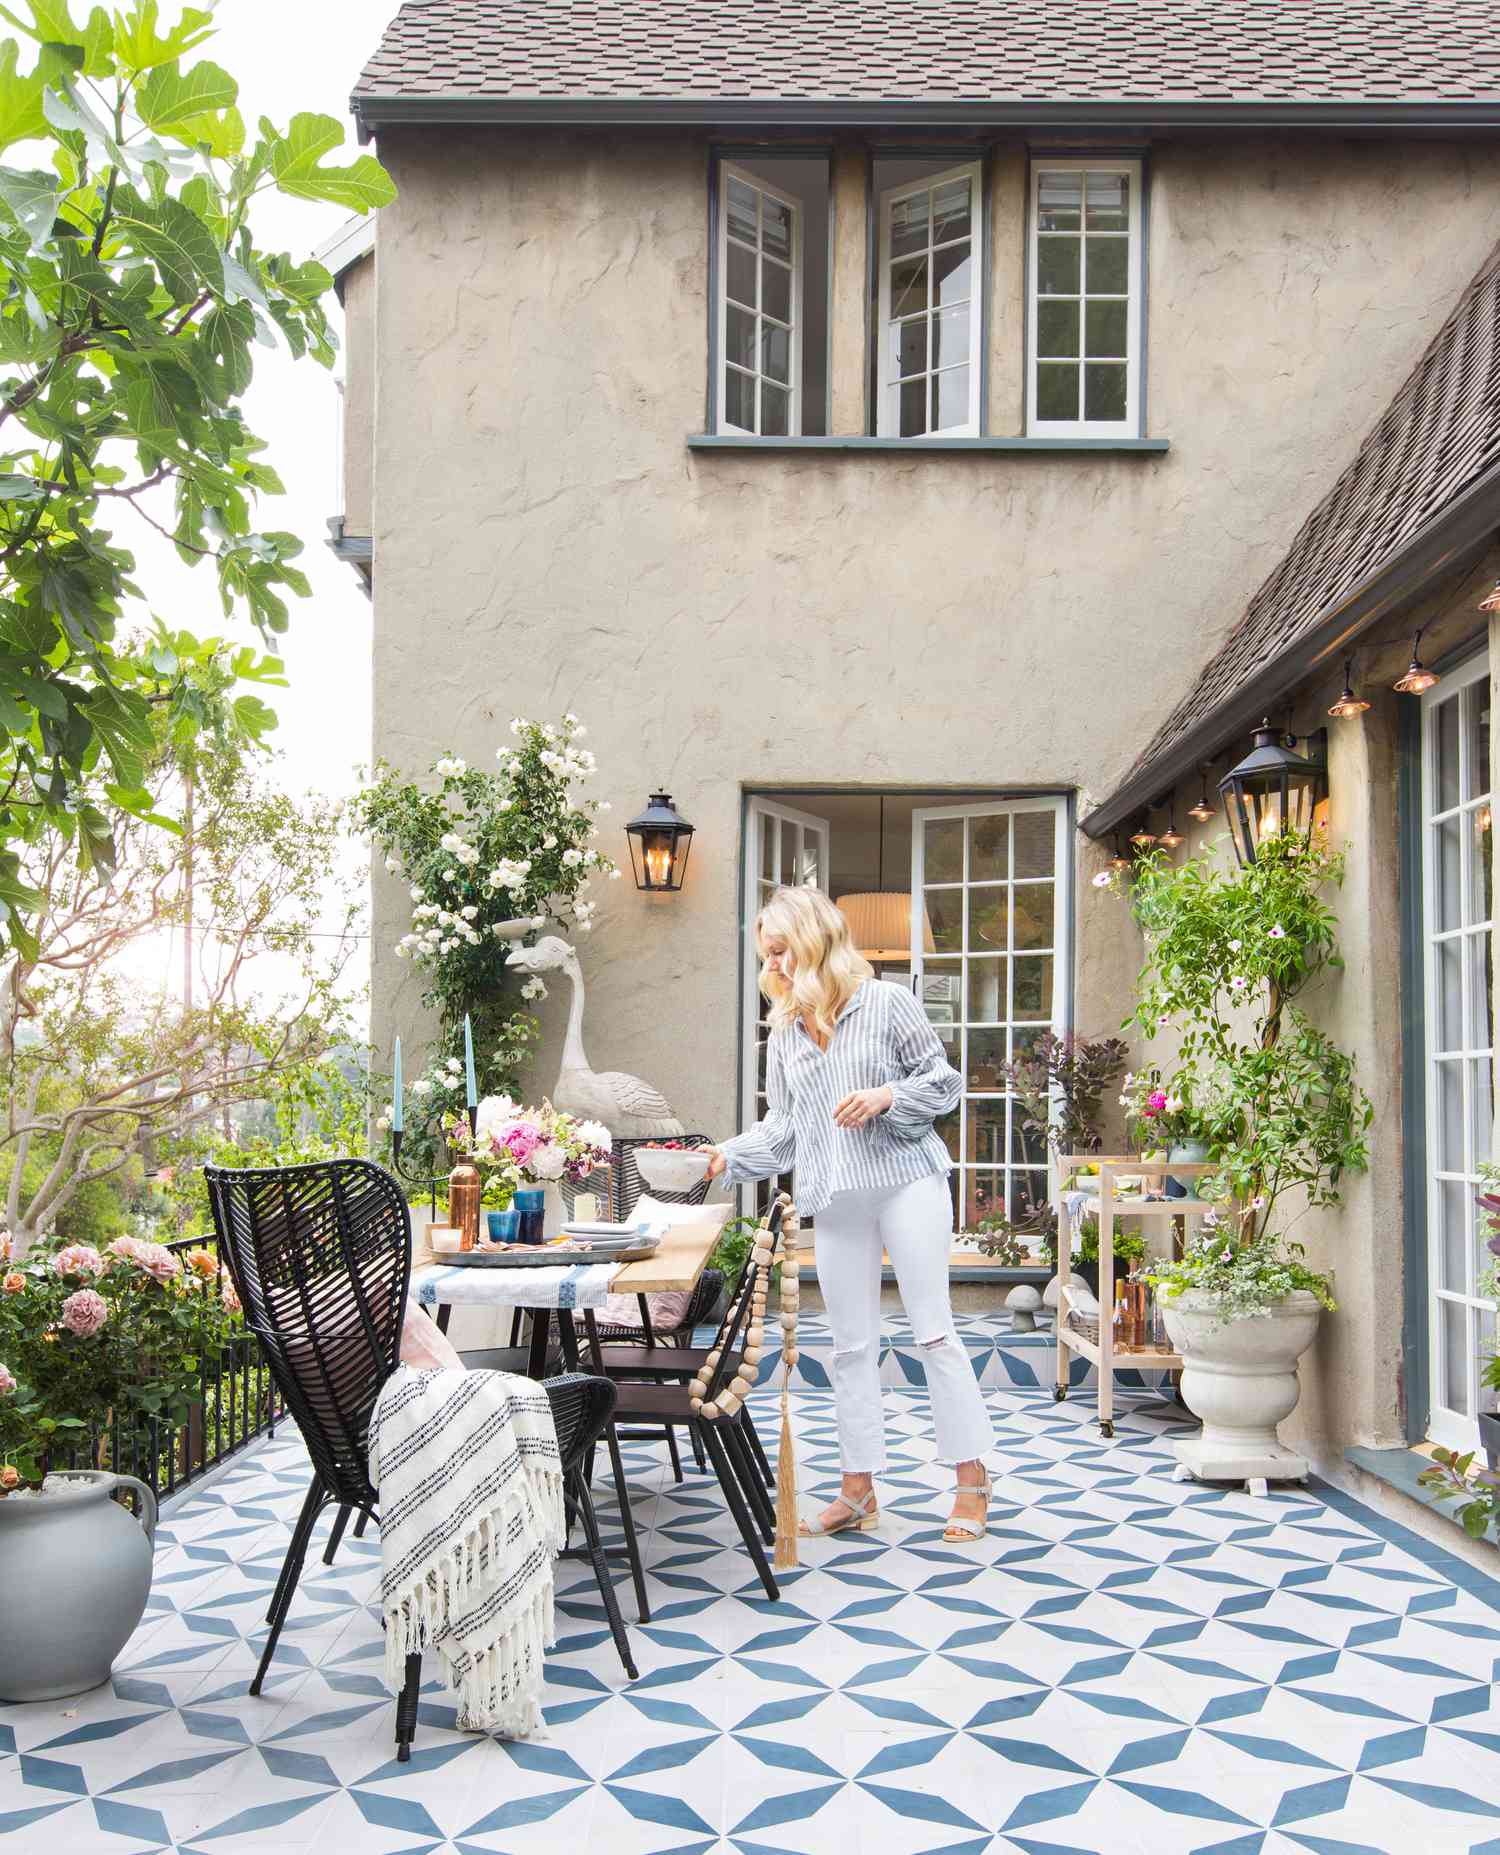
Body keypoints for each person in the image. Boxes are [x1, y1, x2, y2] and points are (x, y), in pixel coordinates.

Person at [704, 885, 995, 1542]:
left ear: (814, 945)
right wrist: (721, 1157)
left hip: (906, 1180)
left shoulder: (887, 1003)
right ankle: (857, 1489)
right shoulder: (782, 1035)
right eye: (766, 955)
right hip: (834, 1195)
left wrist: (887, 1095)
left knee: (933, 1332)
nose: (772, 967)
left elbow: (943, 1084)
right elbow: (782, 1132)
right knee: (849, 1346)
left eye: (782, 951)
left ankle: (972, 1480)